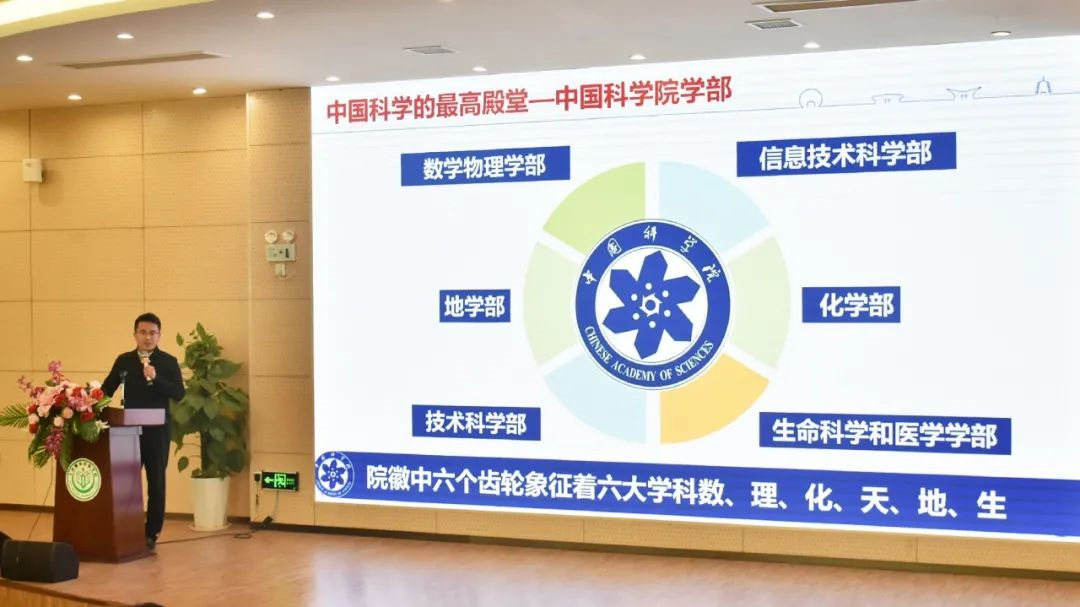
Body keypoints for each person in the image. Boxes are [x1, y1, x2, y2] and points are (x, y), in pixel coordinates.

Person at [102, 313, 185, 551]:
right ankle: (125, 528)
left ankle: (151, 533)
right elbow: (107, 389)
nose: (147, 337)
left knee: (156, 483)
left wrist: (156, 378)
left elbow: (179, 393)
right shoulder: (125, 361)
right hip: (128, 432)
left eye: (152, 333)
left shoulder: (168, 362)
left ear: (159, 335)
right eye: (143, 332)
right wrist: (85, 401)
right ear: (135, 334)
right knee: (126, 483)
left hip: (157, 432)